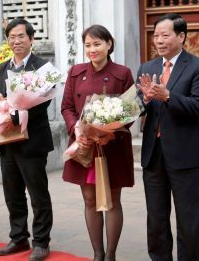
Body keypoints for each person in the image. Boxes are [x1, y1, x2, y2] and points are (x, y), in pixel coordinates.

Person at [137, 13, 199, 261]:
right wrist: (145, 99)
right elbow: (138, 107)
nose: (159, 40)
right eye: (156, 35)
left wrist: (168, 96)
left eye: (165, 35)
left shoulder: (198, 66)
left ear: (181, 36)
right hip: (153, 152)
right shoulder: (147, 67)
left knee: (188, 217)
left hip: (184, 153)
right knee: (156, 217)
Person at [61, 24, 135, 261]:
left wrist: (110, 131)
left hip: (112, 146)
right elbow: (67, 107)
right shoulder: (75, 72)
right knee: (90, 199)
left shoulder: (122, 73)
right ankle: (97, 253)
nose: (92, 49)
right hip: (84, 145)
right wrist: (77, 129)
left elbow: (131, 110)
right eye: (88, 45)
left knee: (112, 201)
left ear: (109, 44)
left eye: (97, 44)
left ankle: (111, 254)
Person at [0, 18, 53, 261]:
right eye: (11, 37)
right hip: (7, 139)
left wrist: (16, 112)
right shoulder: (3, 67)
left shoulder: (42, 67)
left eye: (20, 36)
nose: (16, 41)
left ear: (31, 38)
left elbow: (44, 101)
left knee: (38, 194)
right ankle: (18, 237)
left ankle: (41, 242)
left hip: (33, 140)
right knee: (12, 193)